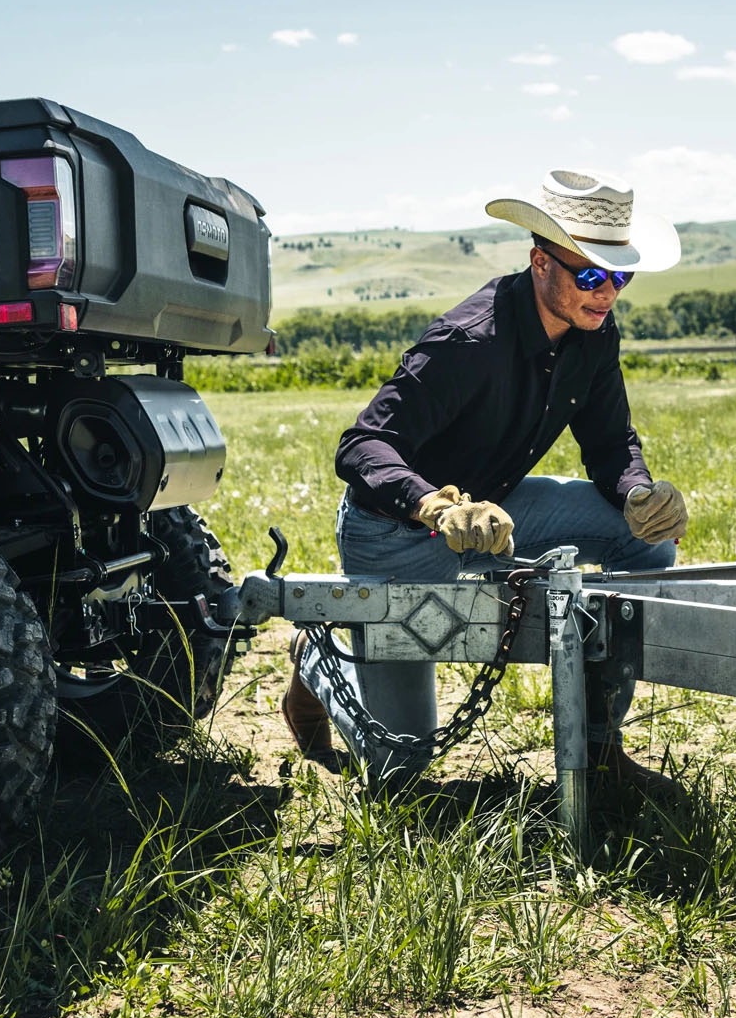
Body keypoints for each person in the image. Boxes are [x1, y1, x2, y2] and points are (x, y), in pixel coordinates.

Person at [280, 167, 688, 791]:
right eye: (589, 275)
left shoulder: (593, 333)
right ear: (540, 262)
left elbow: (610, 444)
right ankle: (317, 661)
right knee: (400, 771)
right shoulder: (468, 341)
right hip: (396, 536)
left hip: (496, 513)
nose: (606, 294)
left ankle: (600, 749)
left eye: (619, 277)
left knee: (646, 541)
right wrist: (436, 507)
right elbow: (362, 446)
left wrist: (638, 491)